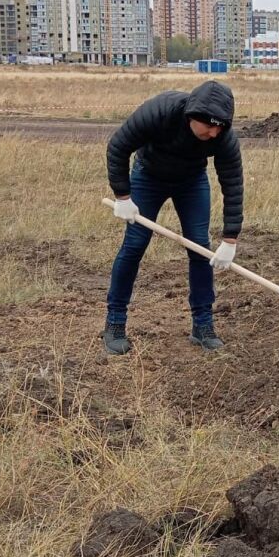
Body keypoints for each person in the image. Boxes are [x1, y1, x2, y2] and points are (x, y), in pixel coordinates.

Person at [103, 80, 243, 355]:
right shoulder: (161, 111)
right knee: (134, 246)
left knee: (200, 248)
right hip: (148, 176)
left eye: (221, 127)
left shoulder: (223, 135)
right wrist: (123, 197)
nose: (215, 133)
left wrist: (230, 238)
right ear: (193, 116)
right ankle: (115, 323)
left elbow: (233, 183)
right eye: (210, 125)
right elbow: (118, 146)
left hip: (191, 181)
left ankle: (202, 326)